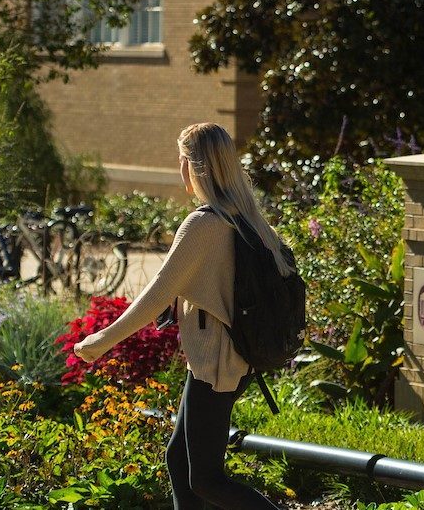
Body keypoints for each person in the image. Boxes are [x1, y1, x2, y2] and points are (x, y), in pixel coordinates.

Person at [73, 122, 290, 510]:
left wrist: (99, 342)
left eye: (181, 161)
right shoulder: (246, 216)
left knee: (207, 481)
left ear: (193, 166)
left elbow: (156, 296)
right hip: (226, 359)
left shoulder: (204, 224)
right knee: (179, 461)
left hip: (217, 364)